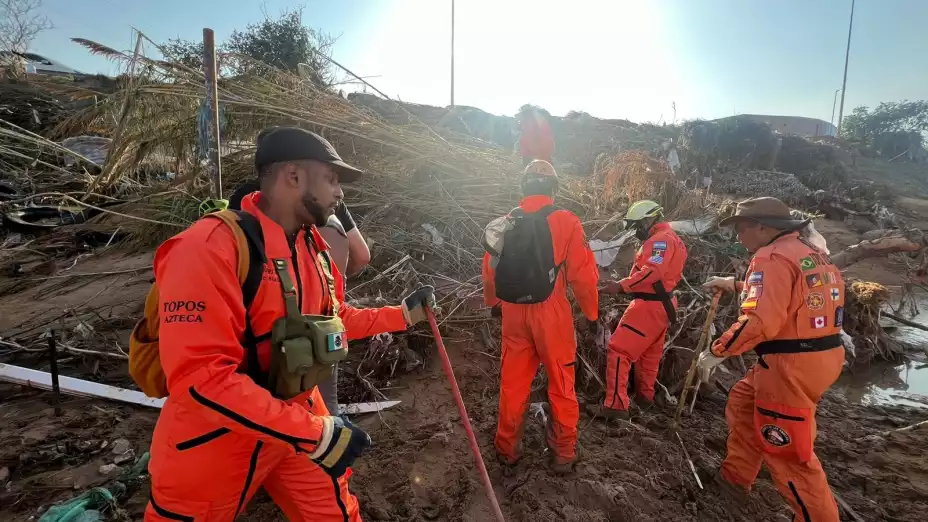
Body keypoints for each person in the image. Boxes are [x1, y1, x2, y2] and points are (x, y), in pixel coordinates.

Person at [145, 126, 435, 522]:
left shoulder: (311, 247)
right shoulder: (209, 247)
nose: (340, 192)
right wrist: (317, 434)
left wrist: (402, 315)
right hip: (213, 441)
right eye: (331, 179)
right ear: (293, 177)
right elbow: (202, 378)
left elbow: (333, 321)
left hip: (298, 419)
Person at [698, 197, 844, 522]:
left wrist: (717, 352)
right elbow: (788, 294)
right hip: (819, 357)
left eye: (741, 229)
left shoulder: (770, 258)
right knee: (742, 402)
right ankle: (734, 479)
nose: (738, 237)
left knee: (789, 455)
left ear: (762, 227)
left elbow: (761, 321)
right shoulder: (808, 252)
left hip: (790, 365)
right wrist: (736, 285)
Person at [482, 160, 599, 474]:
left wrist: (494, 303)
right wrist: (591, 313)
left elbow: (489, 270)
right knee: (561, 383)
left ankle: (507, 448)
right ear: (553, 188)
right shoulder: (566, 220)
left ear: (524, 187)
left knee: (513, 384)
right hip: (552, 314)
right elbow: (583, 276)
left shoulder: (506, 222)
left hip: (512, 315)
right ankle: (563, 452)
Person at [230, 181, 372, 416]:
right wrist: (332, 281)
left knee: (271, 398)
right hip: (325, 319)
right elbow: (362, 254)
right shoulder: (326, 201)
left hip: (273, 321)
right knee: (324, 394)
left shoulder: (249, 197)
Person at [587, 200, 687, 419]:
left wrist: (621, 286)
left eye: (637, 225)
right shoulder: (672, 239)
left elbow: (653, 272)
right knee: (648, 356)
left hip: (648, 306)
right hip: (664, 306)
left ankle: (615, 405)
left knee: (619, 349)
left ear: (649, 219)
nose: (635, 230)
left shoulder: (660, 241)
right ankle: (645, 398)